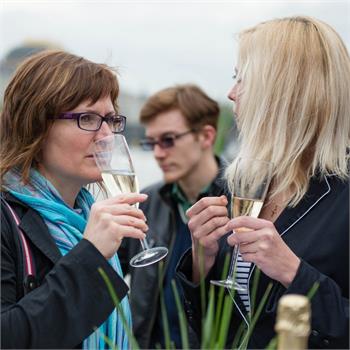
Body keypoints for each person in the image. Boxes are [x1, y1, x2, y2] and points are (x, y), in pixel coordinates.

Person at [176, 16, 349, 349]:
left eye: (241, 78)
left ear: (282, 91)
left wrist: (295, 273)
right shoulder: (241, 180)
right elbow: (214, 324)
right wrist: (202, 259)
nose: (231, 93)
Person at [1, 50, 149, 349]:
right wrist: (91, 255)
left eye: (110, 120)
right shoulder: (5, 218)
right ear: (37, 126)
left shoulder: (85, 218)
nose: (106, 135)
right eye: (88, 118)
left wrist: (200, 258)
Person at [119, 84, 228, 348]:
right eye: (151, 142)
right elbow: (102, 279)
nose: (157, 153)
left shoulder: (244, 204)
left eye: (168, 140)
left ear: (206, 136)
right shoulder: (147, 202)